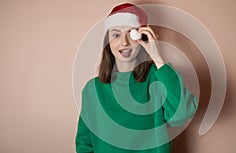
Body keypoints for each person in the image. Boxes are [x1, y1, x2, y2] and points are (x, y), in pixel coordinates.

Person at [76, 3, 198, 153]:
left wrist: (156, 56)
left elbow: (182, 114)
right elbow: (84, 143)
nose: (124, 42)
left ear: (142, 37)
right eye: (116, 35)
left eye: (130, 33)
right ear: (107, 42)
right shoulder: (92, 89)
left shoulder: (158, 78)